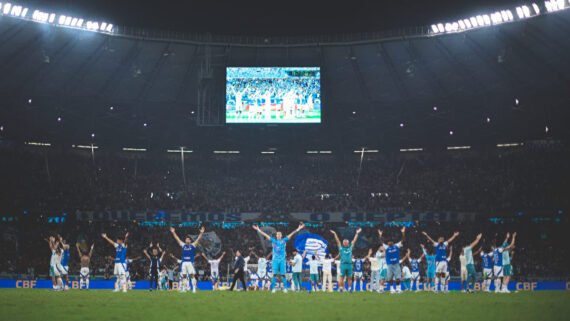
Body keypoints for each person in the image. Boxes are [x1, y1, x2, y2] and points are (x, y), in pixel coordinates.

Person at [252, 222, 305, 293]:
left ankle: (285, 288)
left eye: (280, 234)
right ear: (276, 235)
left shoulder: (284, 240)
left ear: (281, 235)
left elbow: (292, 234)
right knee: (274, 275)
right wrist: (258, 229)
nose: (279, 235)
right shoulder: (273, 241)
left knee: (283, 275)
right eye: (277, 234)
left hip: (282, 260)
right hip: (275, 260)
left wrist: (298, 228)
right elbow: (265, 235)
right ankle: (273, 288)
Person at [169, 226, 205, 293]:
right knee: (184, 276)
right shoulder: (183, 245)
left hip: (190, 263)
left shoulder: (193, 245)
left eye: (188, 239)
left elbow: (198, 239)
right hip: (184, 262)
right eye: (186, 239)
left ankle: (194, 288)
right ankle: (184, 288)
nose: (187, 240)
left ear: (190, 241)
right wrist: (173, 232)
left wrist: (201, 233)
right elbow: (177, 239)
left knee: (192, 275)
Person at [330, 228, 362, 292]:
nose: (344, 243)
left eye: (346, 242)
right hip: (343, 265)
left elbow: (354, 240)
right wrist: (335, 234)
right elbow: (337, 241)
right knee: (341, 277)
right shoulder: (341, 248)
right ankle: (341, 288)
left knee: (349, 278)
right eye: (344, 242)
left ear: (348, 243)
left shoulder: (350, 247)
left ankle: (350, 288)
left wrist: (357, 233)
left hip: (349, 265)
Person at [378, 227, 406, 294]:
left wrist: (403, 233)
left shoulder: (397, 246)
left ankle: (398, 289)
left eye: (389, 242)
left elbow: (403, 240)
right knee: (390, 278)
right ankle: (391, 289)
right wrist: (380, 235)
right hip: (389, 265)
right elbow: (381, 242)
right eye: (388, 242)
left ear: (392, 242)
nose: (388, 243)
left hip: (396, 264)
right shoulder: (386, 247)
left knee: (398, 278)